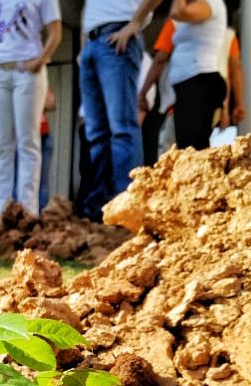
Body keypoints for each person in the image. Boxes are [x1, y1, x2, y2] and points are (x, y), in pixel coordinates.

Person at [0, 0, 62, 222]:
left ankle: (28, 213)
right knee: (2, 145)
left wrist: (40, 61)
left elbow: (55, 33)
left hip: (27, 72)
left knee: (28, 143)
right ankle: (0, 213)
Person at [78, 0, 163, 222]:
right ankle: (97, 212)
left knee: (121, 128)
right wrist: (84, 48)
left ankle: (127, 207)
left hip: (117, 36)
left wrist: (134, 24)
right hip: (92, 42)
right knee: (96, 133)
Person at [167, 0, 228, 150]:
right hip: (190, 83)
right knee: (188, 145)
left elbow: (177, 12)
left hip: (199, 80)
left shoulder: (211, 3)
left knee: (193, 147)